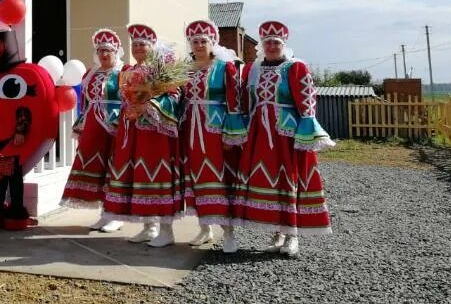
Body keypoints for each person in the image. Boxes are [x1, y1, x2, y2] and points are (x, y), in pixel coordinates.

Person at [230, 21, 334, 257]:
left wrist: (307, 127)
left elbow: (307, 98)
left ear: (283, 44)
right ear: (262, 45)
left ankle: (292, 234)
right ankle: (277, 232)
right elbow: (246, 99)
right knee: (268, 181)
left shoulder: (294, 68)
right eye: (268, 43)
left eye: (276, 42)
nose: (272, 46)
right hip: (259, 132)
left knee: (289, 178)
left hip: (285, 132)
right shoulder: (253, 69)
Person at [0, 22, 58, 231]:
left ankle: (17, 206)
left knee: (13, 173)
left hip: (10, 137)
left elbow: (25, 108)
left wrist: (20, 131)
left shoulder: (23, 75)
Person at [102, 24, 183, 247]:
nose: (137, 47)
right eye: (135, 44)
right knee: (140, 176)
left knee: (157, 176)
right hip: (134, 131)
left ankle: (166, 230)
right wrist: (127, 110)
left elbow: (174, 97)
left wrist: (148, 107)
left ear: (152, 47)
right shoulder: (127, 70)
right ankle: (149, 227)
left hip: (156, 133)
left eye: (142, 44)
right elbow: (125, 99)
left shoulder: (162, 69)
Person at [179, 20, 246, 250]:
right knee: (196, 177)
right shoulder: (184, 69)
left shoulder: (223, 67)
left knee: (221, 176)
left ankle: (228, 233)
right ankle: (204, 228)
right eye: (194, 41)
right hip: (190, 129)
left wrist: (231, 133)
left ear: (212, 42)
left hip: (215, 130)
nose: (198, 45)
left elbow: (234, 101)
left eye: (203, 41)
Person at [60, 28, 124, 233]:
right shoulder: (90, 74)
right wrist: (80, 127)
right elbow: (85, 103)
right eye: (100, 50)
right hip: (93, 126)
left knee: (114, 168)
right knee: (96, 168)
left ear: (116, 51)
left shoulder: (124, 72)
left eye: (108, 50)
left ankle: (116, 214)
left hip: (115, 127)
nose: (104, 54)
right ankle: (105, 213)